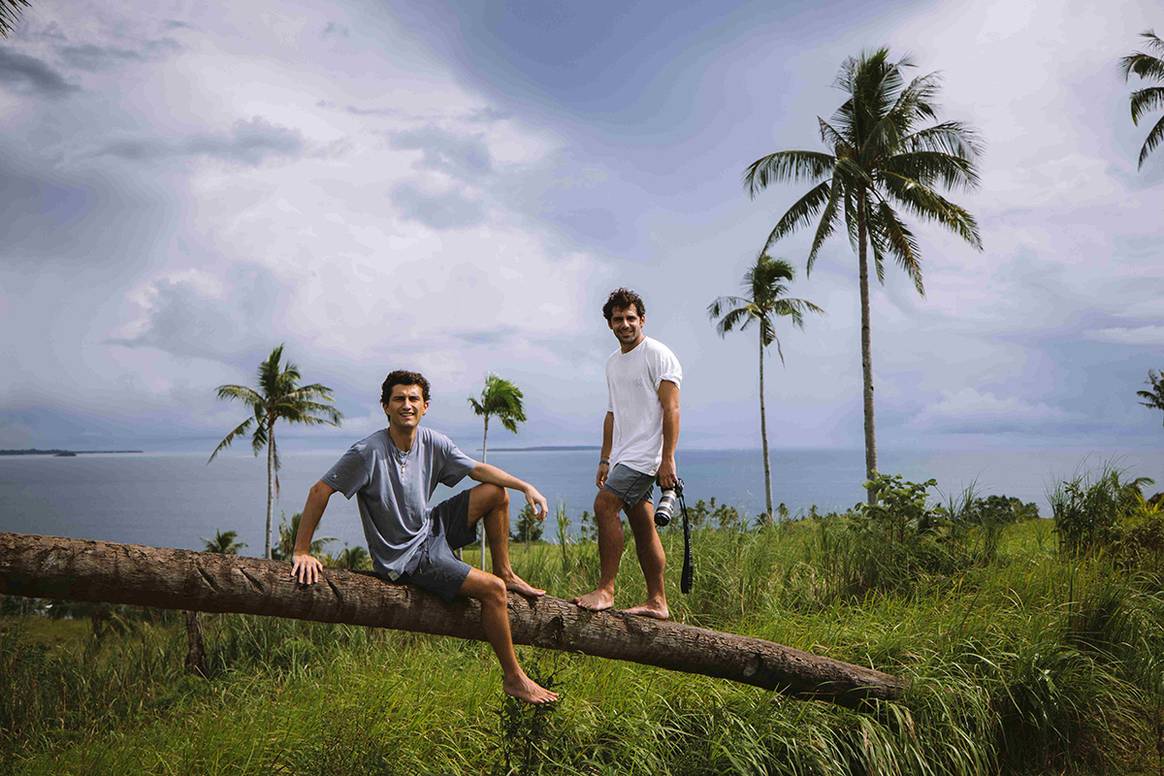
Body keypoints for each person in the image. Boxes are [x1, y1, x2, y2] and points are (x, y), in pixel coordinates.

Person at [290, 369, 558, 704]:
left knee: (496, 493)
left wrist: (526, 487)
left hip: (430, 528)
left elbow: (476, 469)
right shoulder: (367, 451)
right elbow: (320, 490)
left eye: (413, 398)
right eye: (399, 399)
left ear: (425, 406)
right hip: (406, 558)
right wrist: (301, 549)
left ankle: (506, 569)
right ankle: (514, 678)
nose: (406, 404)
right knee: (493, 591)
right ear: (385, 406)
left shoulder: (433, 441)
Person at [573, 288, 681, 619]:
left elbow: (672, 408)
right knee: (643, 525)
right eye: (618, 319)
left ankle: (606, 589)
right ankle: (657, 601)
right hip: (623, 455)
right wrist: (606, 459)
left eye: (631, 318)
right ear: (609, 324)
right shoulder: (612, 363)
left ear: (642, 319)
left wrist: (667, 458)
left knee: (605, 504)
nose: (625, 324)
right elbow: (612, 414)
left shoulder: (658, 355)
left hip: (646, 456)